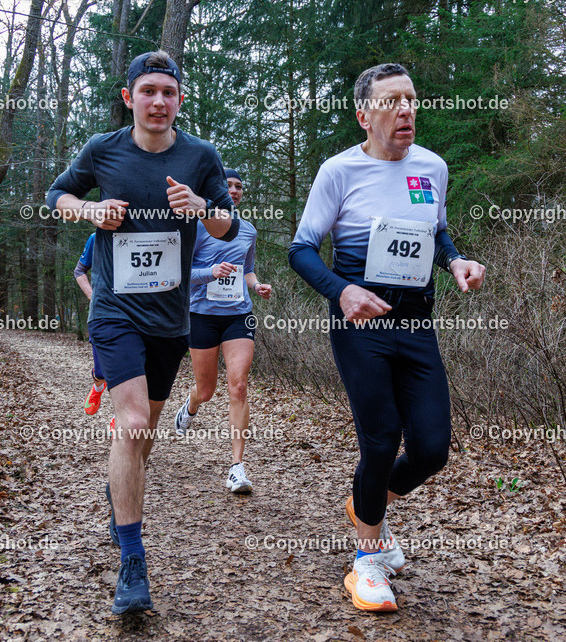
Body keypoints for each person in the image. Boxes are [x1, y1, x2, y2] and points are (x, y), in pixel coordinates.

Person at [46, 51, 239, 615]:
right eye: (148, 91)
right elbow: (56, 196)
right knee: (130, 423)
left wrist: (202, 206)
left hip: (170, 320)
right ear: (129, 98)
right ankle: (132, 560)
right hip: (114, 311)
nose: (159, 101)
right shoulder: (102, 150)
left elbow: (226, 226)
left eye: (169, 92)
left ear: (180, 99)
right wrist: (89, 213)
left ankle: (120, 490)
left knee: (144, 432)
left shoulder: (201, 156)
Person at [288, 63, 486, 613]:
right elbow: (300, 250)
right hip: (361, 325)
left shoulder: (433, 167)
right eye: (392, 101)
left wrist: (455, 261)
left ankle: (367, 505)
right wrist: (343, 292)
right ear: (363, 116)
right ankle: (366, 560)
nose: (406, 110)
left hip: (417, 323)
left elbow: (437, 230)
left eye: (411, 100)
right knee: (380, 439)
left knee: (430, 448)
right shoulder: (338, 172)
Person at [174, 168, 272, 493]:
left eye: (238, 186)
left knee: (239, 385)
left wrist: (256, 286)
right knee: (206, 391)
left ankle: (237, 468)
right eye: (227, 185)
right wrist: (210, 273)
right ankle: (190, 405)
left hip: (238, 316)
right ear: (217, 190)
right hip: (201, 315)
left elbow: (248, 269)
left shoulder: (249, 230)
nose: (233, 190)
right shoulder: (198, 227)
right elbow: (182, 272)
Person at [74, 233, 109, 418]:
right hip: (103, 313)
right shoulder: (96, 238)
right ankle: (98, 386)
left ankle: (120, 418)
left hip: (138, 314)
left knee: (132, 375)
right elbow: (79, 271)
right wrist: (92, 295)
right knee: (103, 372)